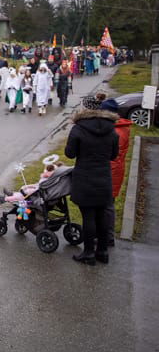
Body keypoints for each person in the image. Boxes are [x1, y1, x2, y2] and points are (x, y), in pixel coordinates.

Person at [65, 99, 119, 265]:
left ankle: (88, 253)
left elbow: (70, 154)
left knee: (88, 216)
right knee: (102, 214)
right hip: (103, 177)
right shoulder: (112, 130)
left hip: (85, 177)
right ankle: (102, 252)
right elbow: (113, 156)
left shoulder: (79, 129)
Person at [103, 99, 132, 248]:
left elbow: (107, 153)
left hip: (109, 170)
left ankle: (106, 236)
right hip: (117, 169)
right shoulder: (123, 128)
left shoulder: (115, 132)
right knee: (109, 204)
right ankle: (108, 236)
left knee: (106, 206)